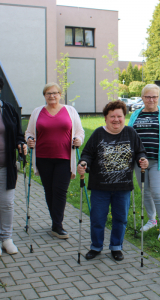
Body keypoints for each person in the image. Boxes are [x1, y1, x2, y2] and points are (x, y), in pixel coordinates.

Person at [77, 100, 148, 261]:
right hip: (99, 187)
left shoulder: (130, 133)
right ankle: (96, 246)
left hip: (122, 187)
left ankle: (116, 247)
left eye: (119, 116)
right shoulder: (98, 134)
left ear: (124, 117)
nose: (116, 119)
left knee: (120, 218)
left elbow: (140, 152)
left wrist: (143, 159)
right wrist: (83, 163)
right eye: (112, 116)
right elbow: (87, 154)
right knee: (97, 219)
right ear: (106, 118)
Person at [25, 83, 84, 239]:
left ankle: (57, 225)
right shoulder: (37, 112)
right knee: (49, 191)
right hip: (43, 158)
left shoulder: (70, 111)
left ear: (60, 94)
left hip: (64, 158)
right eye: (48, 93)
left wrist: (78, 139)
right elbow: (29, 132)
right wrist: (30, 139)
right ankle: (55, 222)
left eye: (55, 93)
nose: (52, 96)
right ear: (44, 95)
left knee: (60, 192)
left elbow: (79, 132)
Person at [128, 84, 160, 240]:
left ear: (158, 97)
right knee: (145, 192)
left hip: (159, 160)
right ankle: (152, 220)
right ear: (142, 97)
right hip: (140, 161)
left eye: (154, 97)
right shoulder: (136, 114)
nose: (151, 100)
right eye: (148, 97)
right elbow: (129, 133)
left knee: (158, 193)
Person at [0, 76, 27, 255]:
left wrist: (21, 143)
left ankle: (6, 238)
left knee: (7, 204)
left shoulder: (8, 109)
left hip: (6, 166)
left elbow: (18, 133)